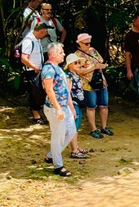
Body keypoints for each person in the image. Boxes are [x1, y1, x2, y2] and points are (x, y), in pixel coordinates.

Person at [40, 43, 77, 177]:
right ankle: (58, 165)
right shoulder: (48, 69)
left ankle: (52, 155)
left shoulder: (58, 68)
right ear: (53, 54)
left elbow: (65, 90)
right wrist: (58, 109)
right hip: (55, 108)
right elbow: (49, 90)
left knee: (71, 131)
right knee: (58, 136)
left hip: (64, 106)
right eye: (61, 52)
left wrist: (70, 107)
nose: (64, 54)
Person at [74, 33, 112, 139]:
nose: (88, 45)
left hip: (100, 81)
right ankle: (93, 129)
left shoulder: (93, 51)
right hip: (88, 84)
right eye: (86, 43)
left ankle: (104, 127)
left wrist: (102, 66)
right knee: (91, 106)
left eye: (89, 43)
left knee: (104, 105)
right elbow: (78, 71)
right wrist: (94, 67)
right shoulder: (76, 56)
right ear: (79, 43)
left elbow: (100, 61)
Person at [20, 23, 49, 124]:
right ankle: (36, 115)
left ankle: (39, 112)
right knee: (34, 92)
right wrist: (34, 67)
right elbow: (24, 58)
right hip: (32, 71)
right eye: (45, 33)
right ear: (41, 32)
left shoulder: (37, 40)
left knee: (40, 92)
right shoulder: (29, 41)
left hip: (38, 70)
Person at [63, 54, 88, 159]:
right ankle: (74, 150)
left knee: (76, 126)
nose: (78, 65)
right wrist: (71, 107)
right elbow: (67, 93)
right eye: (75, 63)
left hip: (79, 102)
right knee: (74, 127)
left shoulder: (76, 75)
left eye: (78, 63)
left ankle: (76, 147)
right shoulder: (68, 76)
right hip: (73, 103)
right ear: (69, 65)